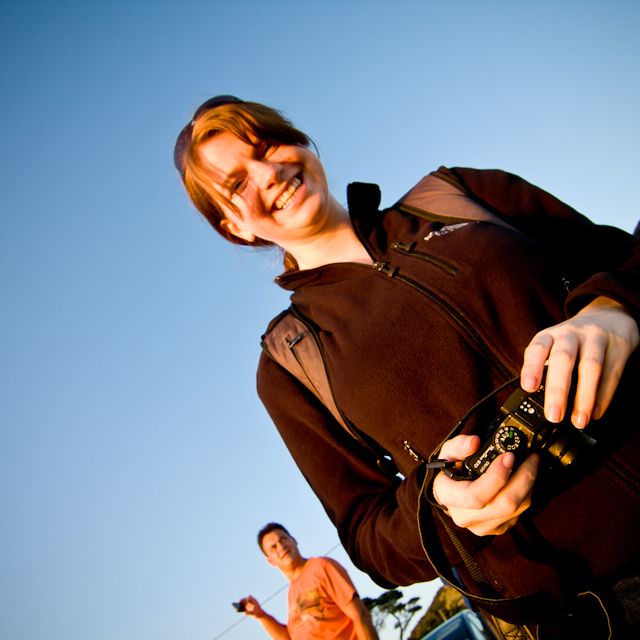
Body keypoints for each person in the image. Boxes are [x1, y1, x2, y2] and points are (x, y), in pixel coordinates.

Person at [174, 96, 640, 638]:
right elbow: (367, 532)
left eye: (269, 145)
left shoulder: (457, 193)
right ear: (234, 224)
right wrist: (439, 506)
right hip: (591, 608)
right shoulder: (288, 364)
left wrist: (614, 307)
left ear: (301, 143)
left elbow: (625, 256)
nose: (268, 172)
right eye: (236, 183)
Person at [237, 523, 379, 640]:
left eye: (283, 539)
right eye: (273, 547)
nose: (281, 547)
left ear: (294, 540)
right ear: (270, 560)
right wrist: (261, 615)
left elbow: (360, 615)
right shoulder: (291, 593)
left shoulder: (322, 567)